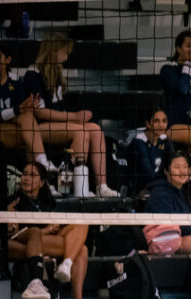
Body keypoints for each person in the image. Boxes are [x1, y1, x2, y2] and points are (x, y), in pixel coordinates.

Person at [23, 33, 120, 198]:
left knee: (95, 130)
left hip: (55, 124)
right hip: (37, 127)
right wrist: (74, 117)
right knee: (80, 131)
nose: (66, 57)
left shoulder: (56, 73)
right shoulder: (33, 74)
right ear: (54, 51)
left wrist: (78, 117)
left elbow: (59, 107)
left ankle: (101, 186)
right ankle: (76, 187)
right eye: (64, 52)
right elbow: (39, 112)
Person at [7, 162, 104, 299]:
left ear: (42, 182)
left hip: (46, 241)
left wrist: (54, 227)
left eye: (32, 175)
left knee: (82, 223)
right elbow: (17, 234)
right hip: (29, 241)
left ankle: (68, 270)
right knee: (81, 250)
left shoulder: (45, 202)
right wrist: (46, 230)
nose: (26, 178)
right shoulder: (15, 201)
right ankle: (73, 289)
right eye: (24, 173)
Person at [0, 43, 54, 172]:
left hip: (9, 127)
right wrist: (17, 110)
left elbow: (22, 112)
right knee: (31, 138)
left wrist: (29, 106)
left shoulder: (16, 80)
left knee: (27, 119)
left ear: (8, 60)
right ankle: (42, 170)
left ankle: (41, 165)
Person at [128, 108, 175, 195]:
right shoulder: (139, 141)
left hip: (159, 186)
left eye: (164, 121)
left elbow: (173, 163)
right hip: (140, 190)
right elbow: (148, 175)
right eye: (156, 121)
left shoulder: (164, 140)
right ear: (148, 124)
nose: (161, 125)